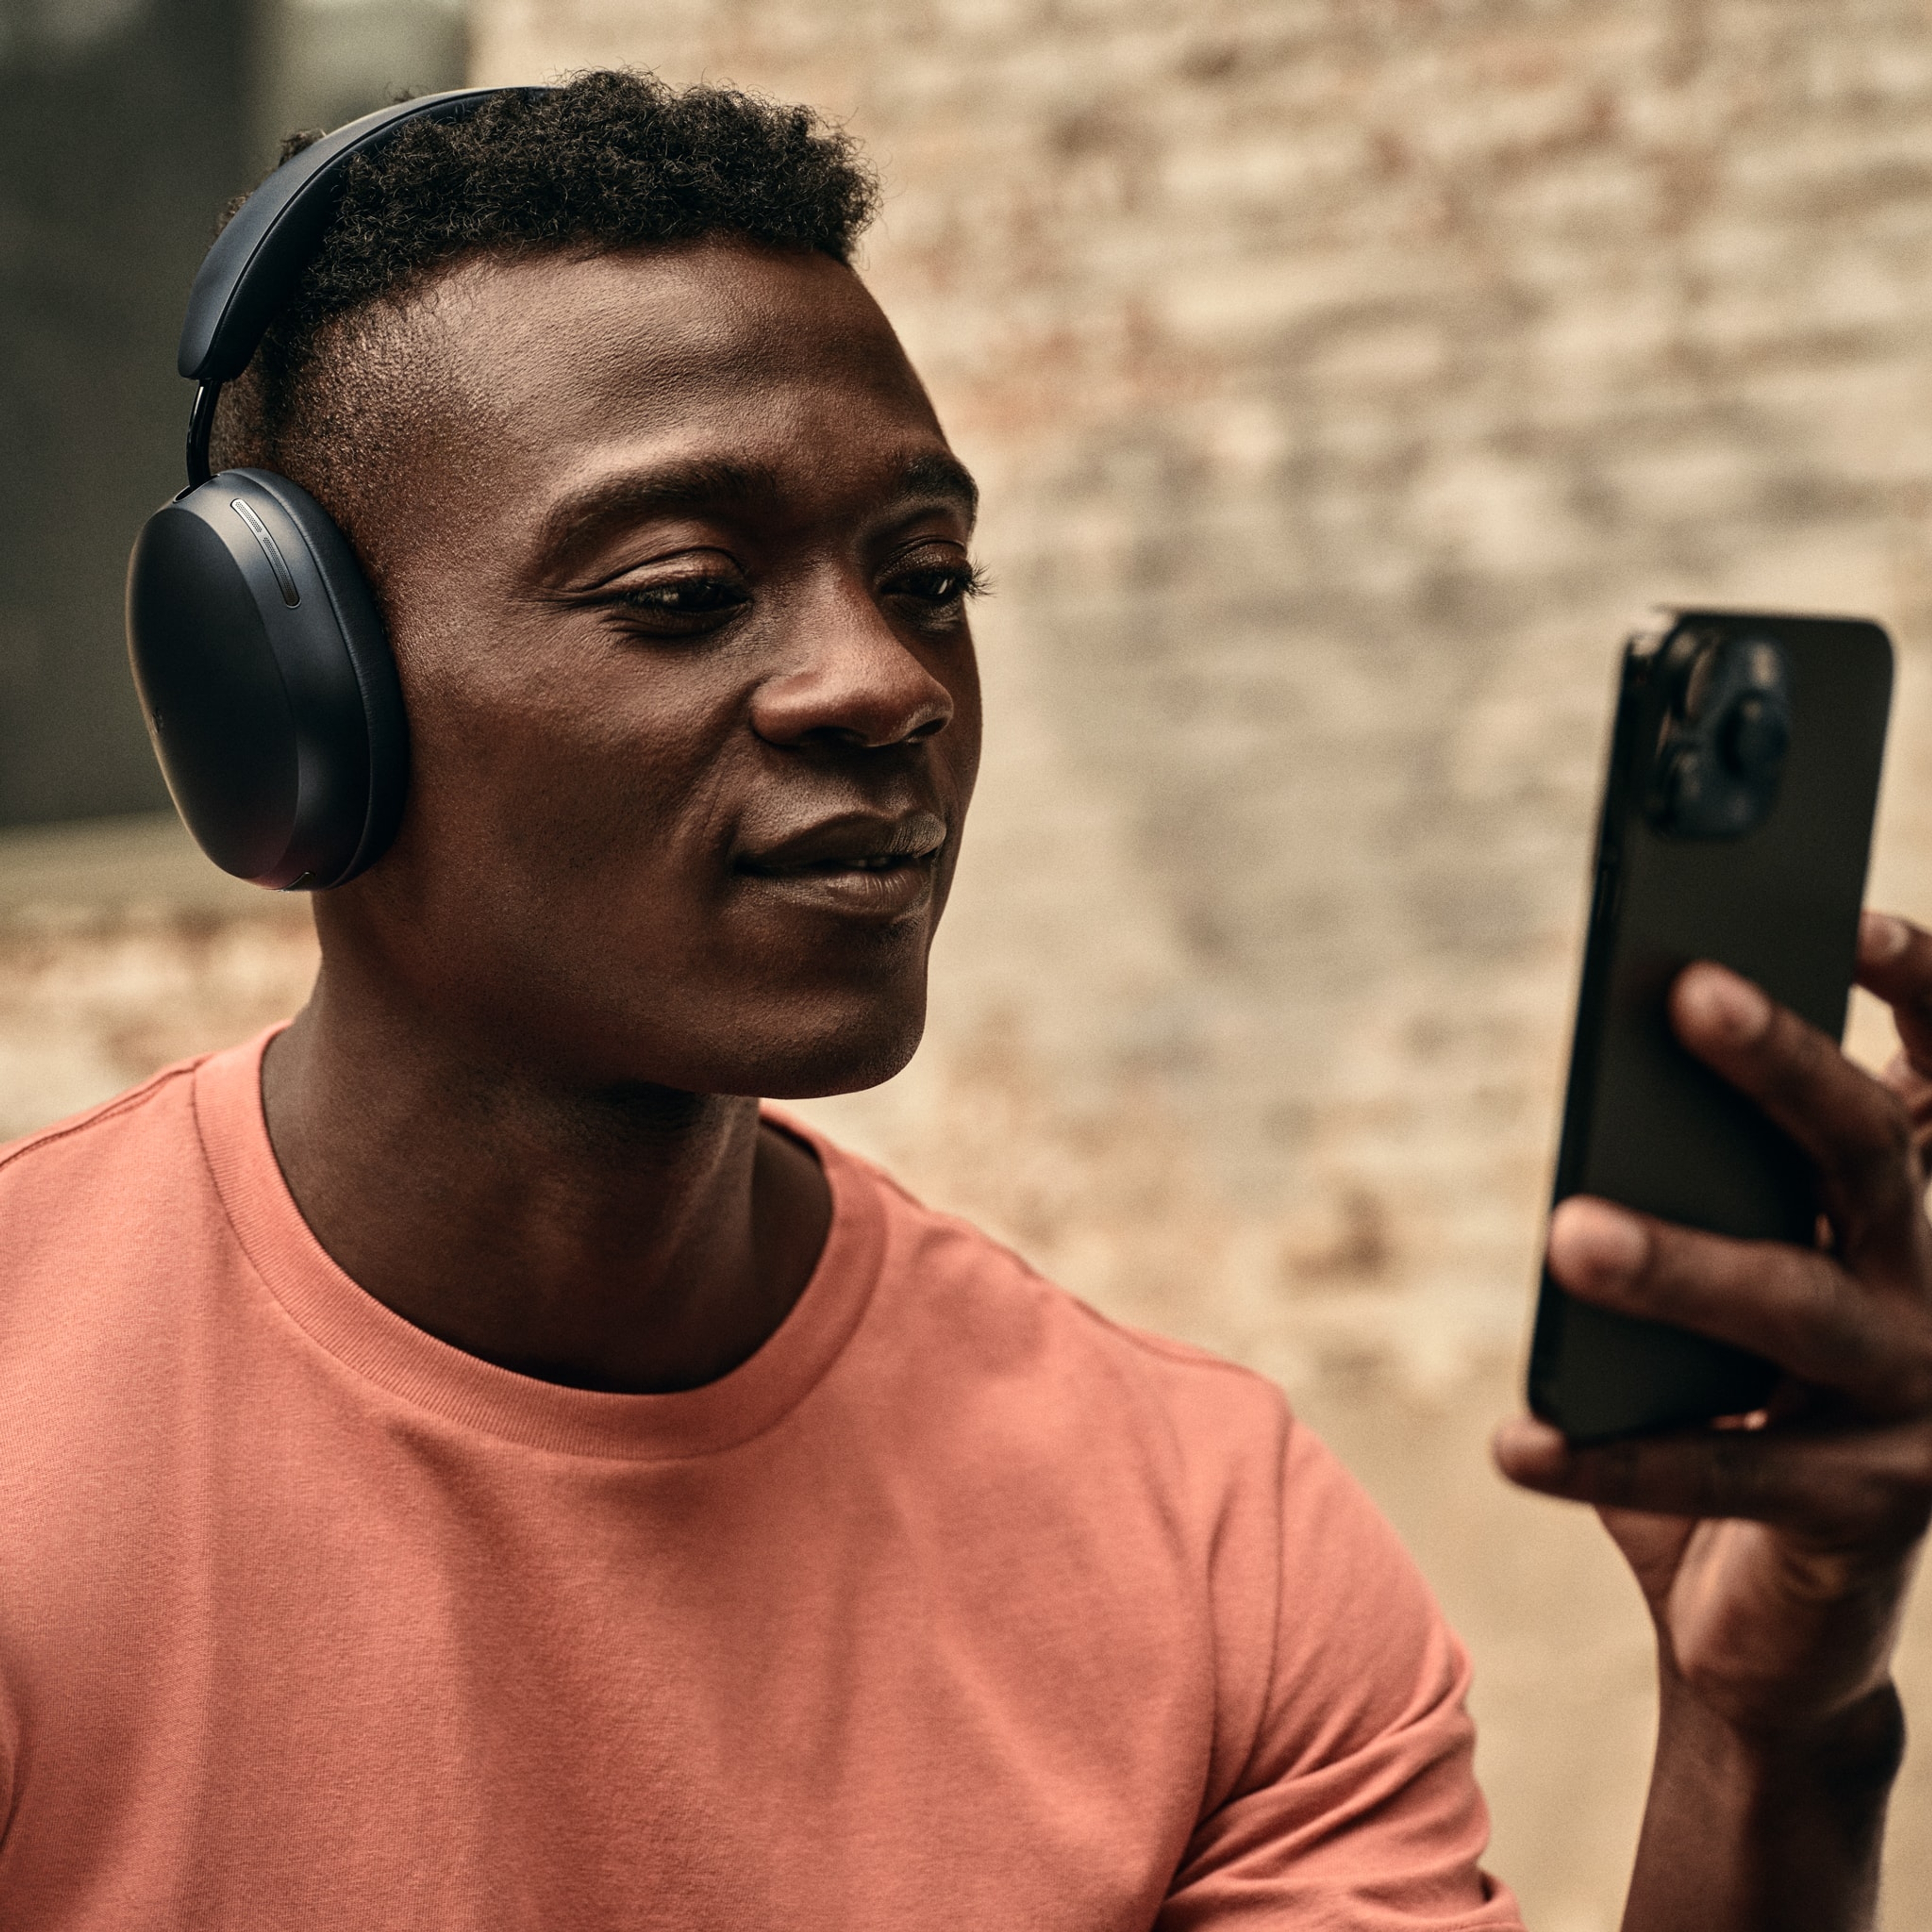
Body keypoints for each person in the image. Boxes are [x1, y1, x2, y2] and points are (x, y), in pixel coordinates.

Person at [1, 70, 1928, 1929]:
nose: (884, 681)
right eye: (682, 591)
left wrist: (1776, 1741)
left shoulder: (1203, 1539)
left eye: (927, 572)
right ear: (285, 710)